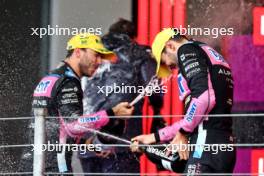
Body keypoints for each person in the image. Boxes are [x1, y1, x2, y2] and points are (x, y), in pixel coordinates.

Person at [20, 33, 134, 174]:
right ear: (78, 52)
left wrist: (88, 144)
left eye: (101, 57)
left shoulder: (52, 77)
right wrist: (112, 113)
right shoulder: (69, 82)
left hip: (30, 164)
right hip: (53, 168)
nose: (99, 62)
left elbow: (56, 126)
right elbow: (73, 125)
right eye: (96, 55)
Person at [131, 28, 236, 174]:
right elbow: (193, 117)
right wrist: (153, 137)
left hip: (204, 145)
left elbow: (203, 98)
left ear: (170, 46)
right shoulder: (206, 51)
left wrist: (183, 133)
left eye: (164, 61)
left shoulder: (186, 50)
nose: (168, 66)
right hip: (223, 146)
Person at [79, 18, 165, 175]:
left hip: (87, 138)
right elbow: (155, 90)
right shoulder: (139, 53)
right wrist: (158, 112)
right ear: (133, 37)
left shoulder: (91, 55)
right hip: (121, 139)